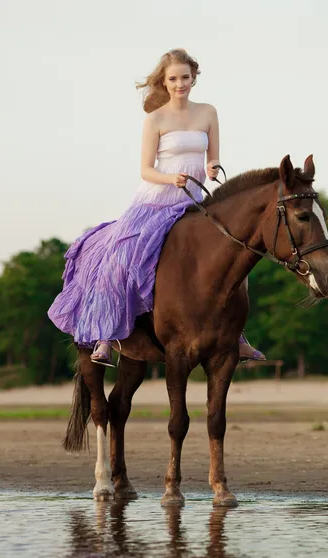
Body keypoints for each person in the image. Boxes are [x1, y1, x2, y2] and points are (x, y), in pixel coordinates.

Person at [48, 49, 265, 366]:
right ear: (164, 81)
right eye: (173, 79)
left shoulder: (208, 112)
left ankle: (237, 335)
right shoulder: (155, 119)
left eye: (185, 78)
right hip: (156, 198)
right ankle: (106, 336)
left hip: (196, 200)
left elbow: (212, 156)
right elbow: (145, 170)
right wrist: (169, 178)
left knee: (230, 256)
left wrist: (214, 167)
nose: (180, 84)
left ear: (194, 77)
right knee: (122, 256)